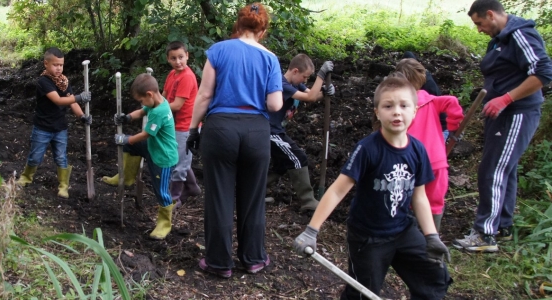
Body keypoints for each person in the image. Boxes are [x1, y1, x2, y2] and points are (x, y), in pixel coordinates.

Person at [293, 76, 452, 299]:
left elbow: (419, 197)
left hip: (404, 230)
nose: (397, 112)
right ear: (377, 112)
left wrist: (431, 236)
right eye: (388, 106)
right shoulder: (367, 149)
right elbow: (338, 190)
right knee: (362, 292)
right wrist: (311, 231)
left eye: (404, 105)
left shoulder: (418, 150)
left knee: (435, 279)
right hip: (369, 238)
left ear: (415, 111)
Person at [186, 2, 283, 278]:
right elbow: (275, 104)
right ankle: (253, 258)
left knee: (219, 196)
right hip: (256, 132)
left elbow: (204, 95)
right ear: (262, 30)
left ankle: (218, 262)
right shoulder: (270, 59)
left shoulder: (218, 50)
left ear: (238, 26)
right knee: (253, 198)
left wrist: (194, 129)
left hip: (220, 130)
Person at [453, 0, 552, 253]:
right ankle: (502, 226)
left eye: (479, 23)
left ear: (490, 14)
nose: (478, 29)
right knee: (504, 169)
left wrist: (506, 98)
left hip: (517, 113)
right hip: (502, 115)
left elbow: (543, 73)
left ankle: (485, 234)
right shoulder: (501, 38)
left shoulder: (520, 34)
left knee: (492, 170)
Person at [106, 41, 201, 208]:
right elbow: (162, 96)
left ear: (187, 56)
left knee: (178, 162)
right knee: (182, 159)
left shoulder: (186, 77)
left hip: (185, 125)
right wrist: (143, 110)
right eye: (173, 58)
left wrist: (158, 112)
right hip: (172, 123)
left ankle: (174, 197)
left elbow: (177, 105)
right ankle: (192, 187)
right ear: (168, 59)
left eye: (181, 57)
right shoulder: (173, 74)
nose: (177, 61)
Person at [103, 74, 179, 240]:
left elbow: (145, 135)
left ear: (150, 94)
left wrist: (126, 138)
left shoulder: (160, 112)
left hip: (163, 158)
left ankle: (164, 224)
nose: (142, 103)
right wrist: (128, 117)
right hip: (153, 149)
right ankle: (127, 176)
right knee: (130, 146)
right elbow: (142, 111)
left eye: (142, 100)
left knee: (161, 191)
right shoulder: (156, 102)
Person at [395, 59, 465, 232]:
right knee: (434, 202)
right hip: (436, 161)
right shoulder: (432, 100)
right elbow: (452, 102)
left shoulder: (400, 105)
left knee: (407, 200)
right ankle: (432, 240)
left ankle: (410, 236)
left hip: (410, 161)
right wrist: (453, 127)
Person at [16, 47, 91, 199]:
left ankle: (63, 186)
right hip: (42, 127)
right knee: (36, 155)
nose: (58, 68)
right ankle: (26, 177)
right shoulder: (44, 82)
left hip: (60, 128)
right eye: (55, 65)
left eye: (61, 65)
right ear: (46, 64)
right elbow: (58, 100)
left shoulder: (64, 82)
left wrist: (82, 116)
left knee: (61, 157)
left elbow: (71, 102)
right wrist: (79, 97)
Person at [264, 54, 334, 213]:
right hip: (269, 131)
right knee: (298, 158)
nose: (305, 81)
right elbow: (309, 97)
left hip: (276, 130)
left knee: (281, 165)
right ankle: (308, 200)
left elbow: (313, 95)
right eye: (304, 77)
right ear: (295, 71)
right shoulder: (282, 84)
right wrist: (321, 76)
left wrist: (325, 91)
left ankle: (254, 192)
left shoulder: (296, 84)